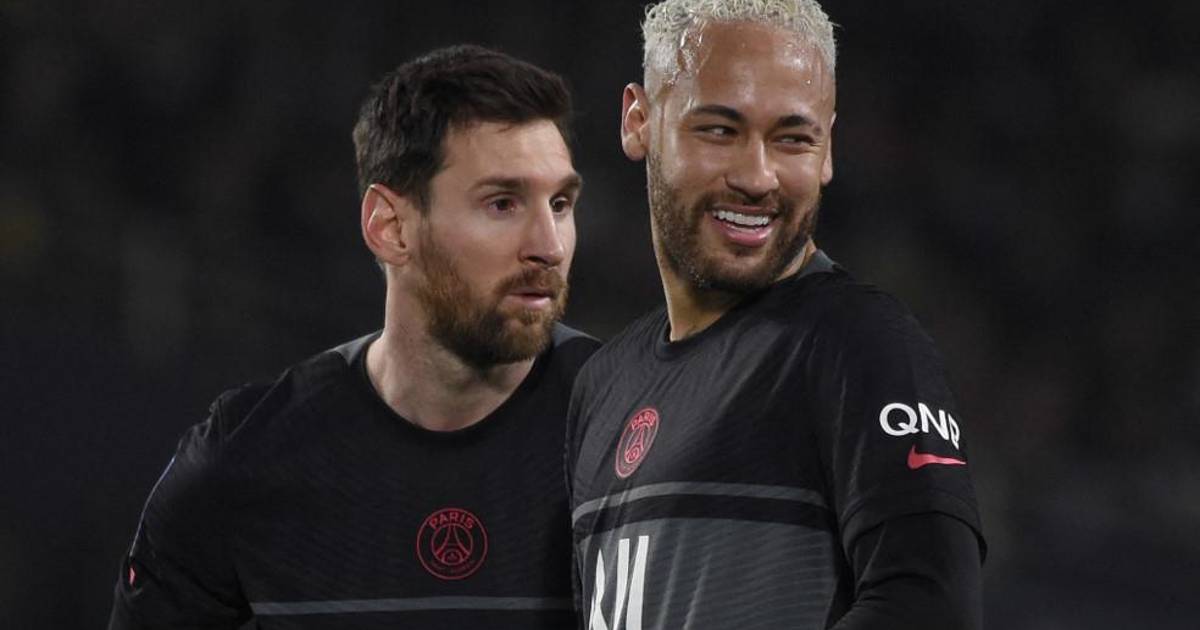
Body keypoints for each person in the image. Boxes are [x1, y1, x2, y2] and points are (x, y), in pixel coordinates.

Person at [109, 45, 598, 629]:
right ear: (390, 227)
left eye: (560, 203)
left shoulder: (634, 426)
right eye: (502, 204)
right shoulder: (243, 460)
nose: (549, 245)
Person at [566, 1, 985, 628]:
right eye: (719, 130)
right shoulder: (601, 386)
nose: (757, 177)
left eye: (792, 138)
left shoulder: (857, 344)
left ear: (827, 150)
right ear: (639, 122)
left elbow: (930, 607)